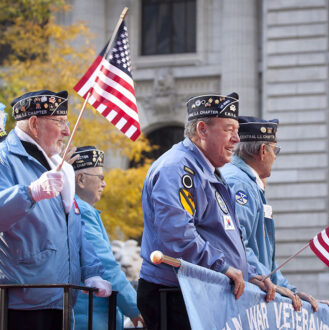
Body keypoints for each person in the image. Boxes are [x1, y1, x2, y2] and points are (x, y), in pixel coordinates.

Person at [138, 93, 275, 330]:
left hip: (197, 293)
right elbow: (177, 234)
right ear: (202, 130)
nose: (236, 138)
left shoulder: (206, 170)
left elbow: (221, 234)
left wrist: (248, 272)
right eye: (229, 129)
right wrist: (221, 266)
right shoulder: (177, 168)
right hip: (175, 294)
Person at [0, 90, 111, 330]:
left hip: (61, 299)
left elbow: (74, 227)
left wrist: (92, 271)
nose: (67, 131)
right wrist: (29, 193)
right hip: (21, 304)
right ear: (33, 123)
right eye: (59, 122)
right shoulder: (4, 158)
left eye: (67, 122)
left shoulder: (58, 165)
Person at [221, 116, 329, 312]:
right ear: (262, 151)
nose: (275, 156)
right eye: (275, 150)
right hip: (241, 298)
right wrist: (265, 279)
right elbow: (238, 244)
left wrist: (290, 290)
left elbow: (265, 258)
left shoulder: (247, 182)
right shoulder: (239, 183)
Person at [71, 146, 144, 330]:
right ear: (80, 179)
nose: (104, 184)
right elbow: (105, 266)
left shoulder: (80, 208)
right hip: (89, 317)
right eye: (100, 178)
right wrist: (136, 309)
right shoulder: (82, 211)